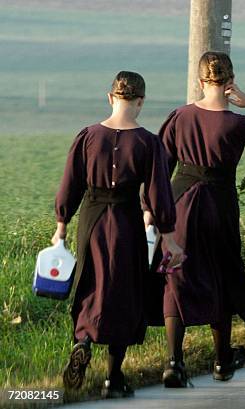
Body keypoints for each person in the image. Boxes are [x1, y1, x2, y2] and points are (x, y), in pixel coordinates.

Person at [148, 51, 245, 386]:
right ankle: (222, 361)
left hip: (181, 203)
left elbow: (160, 168)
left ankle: (173, 363)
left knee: (174, 277)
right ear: (230, 83)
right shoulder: (238, 123)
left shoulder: (178, 117)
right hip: (219, 205)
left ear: (200, 81)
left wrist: (152, 209)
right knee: (220, 277)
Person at [54, 71, 183, 399]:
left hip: (92, 219)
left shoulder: (87, 136)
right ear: (140, 102)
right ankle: (114, 379)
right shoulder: (148, 142)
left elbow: (70, 184)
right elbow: (158, 194)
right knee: (125, 293)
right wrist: (168, 236)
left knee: (90, 283)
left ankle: (83, 339)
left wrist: (61, 228)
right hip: (126, 221)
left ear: (110, 97)